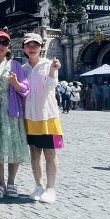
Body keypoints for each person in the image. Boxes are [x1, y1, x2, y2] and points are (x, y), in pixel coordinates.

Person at [0, 31, 30, 204]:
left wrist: (15, 83)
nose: (1, 46)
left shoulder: (15, 65)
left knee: (13, 146)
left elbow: (25, 89)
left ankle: (11, 182)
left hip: (11, 111)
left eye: (4, 43)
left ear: (9, 46)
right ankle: (1, 183)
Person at [22, 33, 63, 203]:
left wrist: (53, 70)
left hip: (48, 115)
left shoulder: (48, 64)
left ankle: (51, 188)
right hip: (30, 116)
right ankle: (39, 185)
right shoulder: (22, 68)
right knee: (34, 152)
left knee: (50, 152)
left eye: (35, 45)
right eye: (28, 45)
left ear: (41, 47)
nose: (32, 48)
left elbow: (51, 86)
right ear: (24, 48)